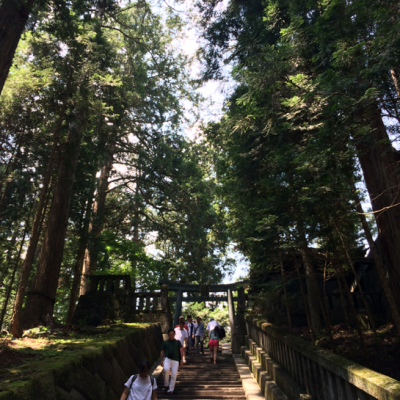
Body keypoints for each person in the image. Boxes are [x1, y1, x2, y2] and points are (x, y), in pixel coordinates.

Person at [160, 329, 183, 394]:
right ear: (168, 335)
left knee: (174, 374)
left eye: (172, 334)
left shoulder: (177, 342)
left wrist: (182, 359)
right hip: (167, 358)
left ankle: (171, 389)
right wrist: (161, 360)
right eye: (170, 335)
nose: (171, 336)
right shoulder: (165, 342)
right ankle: (166, 384)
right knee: (166, 369)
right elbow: (162, 351)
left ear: (174, 334)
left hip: (175, 360)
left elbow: (181, 351)